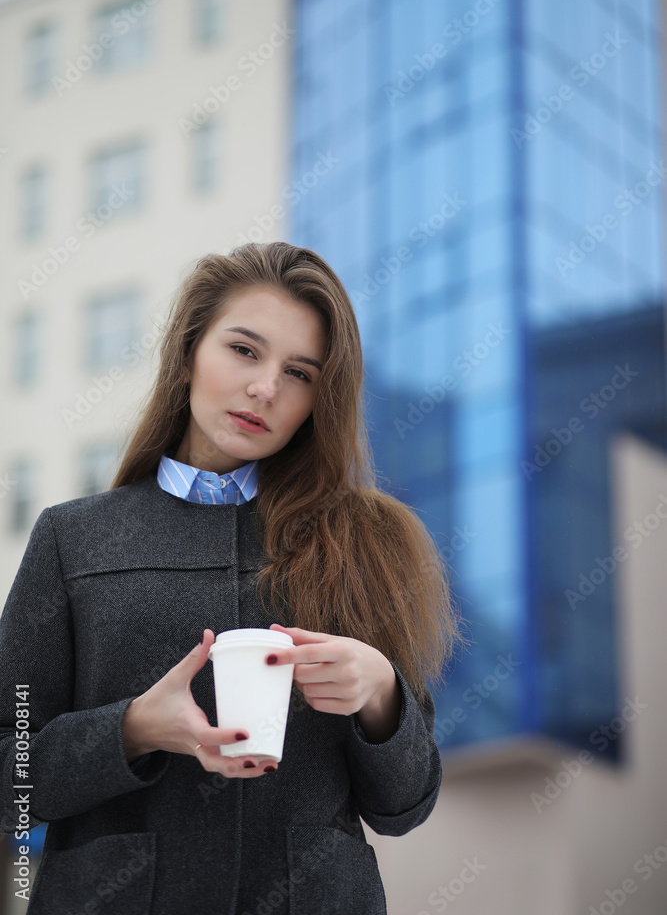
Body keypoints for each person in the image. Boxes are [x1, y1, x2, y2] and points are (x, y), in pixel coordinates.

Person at [0, 241, 468, 915]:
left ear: (319, 400)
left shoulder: (362, 541)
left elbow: (404, 807)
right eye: (244, 350)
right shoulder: (71, 539)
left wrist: (379, 693)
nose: (265, 388)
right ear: (189, 351)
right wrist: (131, 730)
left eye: (300, 373)